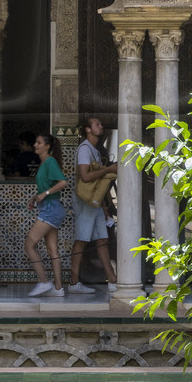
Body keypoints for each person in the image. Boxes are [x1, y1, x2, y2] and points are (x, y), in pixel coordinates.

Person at [70, 115, 116, 297]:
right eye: (97, 124)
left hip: (95, 204)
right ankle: (74, 282)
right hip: (84, 202)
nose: (101, 126)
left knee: (102, 239)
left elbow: (97, 183)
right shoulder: (84, 149)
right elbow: (85, 177)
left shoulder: (95, 150)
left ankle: (112, 279)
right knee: (81, 240)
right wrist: (109, 170)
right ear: (88, 129)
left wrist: (104, 206)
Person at [25, 130, 69, 299]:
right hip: (51, 208)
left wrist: (45, 194)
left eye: (39, 143)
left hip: (51, 209)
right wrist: (35, 197)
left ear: (47, 146)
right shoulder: (45, 163)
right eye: (35, 142)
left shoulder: (50, 162)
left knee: (29, 245)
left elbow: (63, 182)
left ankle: (43, 281)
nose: (35, 145)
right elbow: (45, 188)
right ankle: (58, 288)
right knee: (52, 250)